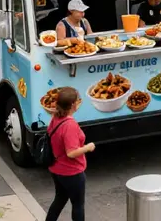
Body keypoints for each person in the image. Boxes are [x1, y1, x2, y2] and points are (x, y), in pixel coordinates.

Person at [45, 86, 93, 221]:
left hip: (56, 169)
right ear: (72, 105)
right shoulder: (70, 125)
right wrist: (88, 147)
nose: (79, 103)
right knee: (78, 205)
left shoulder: (55, 117)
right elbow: (71, 153)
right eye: (78, 101)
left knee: (59, 199)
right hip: (71, 172)